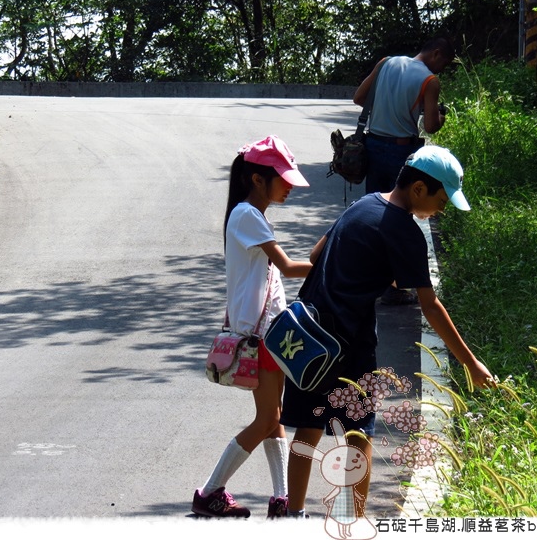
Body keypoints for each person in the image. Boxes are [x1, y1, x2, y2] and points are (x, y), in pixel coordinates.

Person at [281, 145, 494, 520]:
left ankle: (292, 516)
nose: (441, 210)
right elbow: (430, 306)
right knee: (358, 433)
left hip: (310, 334)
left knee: (309, 427)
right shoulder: (406, 233)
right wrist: (470, 363)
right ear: (418, 190)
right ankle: (351, 520)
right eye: (442, 201)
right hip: (350, 342)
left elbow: (316, 257)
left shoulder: (361, 206)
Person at [192, 135, 313, 519]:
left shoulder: (251, 215)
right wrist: (338, 253)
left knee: (272, 416)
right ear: (258, 179)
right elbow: (291, 268)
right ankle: (210, 491)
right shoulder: (247, 215)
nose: (289, 185)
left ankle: (280, 499)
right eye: (282, 178)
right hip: (260, 335)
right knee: (267, 419)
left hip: (266, 333)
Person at [352, 37, 456, 304]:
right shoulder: (430, 81)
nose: (440, 70)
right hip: (400, 152)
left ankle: (369, 279)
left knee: (375, 212)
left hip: (373, 147)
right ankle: (394, 288)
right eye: (442, 63)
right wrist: (440, 116)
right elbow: (431, 126)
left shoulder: (386, 63)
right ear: (436, 53)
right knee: (398, 217)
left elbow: (359, 98)